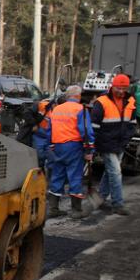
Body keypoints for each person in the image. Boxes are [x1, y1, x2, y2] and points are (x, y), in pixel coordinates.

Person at [44, 86, 95, 220]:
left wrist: (51, 145)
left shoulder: (56, 109)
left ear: (67, 96)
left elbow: (49, 130)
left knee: (57, 175)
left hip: (58, 146)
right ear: (78, 96)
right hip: (73, 146)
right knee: (75, 176)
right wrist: (89, 149)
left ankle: (53, 208)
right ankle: (76, 210)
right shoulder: (80, 110)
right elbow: (86, 131)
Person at [90, 73, 136, 215]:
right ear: (112, 86)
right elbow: (94, 126)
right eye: (118, 88)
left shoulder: (131, 101)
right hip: (106, 144)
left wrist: (126, 139)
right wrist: (92, 146)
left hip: (120, 143)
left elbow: (132, 124)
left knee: (110, 172)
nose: (121, 92)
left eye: (124, 88)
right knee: (116, 173)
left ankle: (100, 198)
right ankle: (118, 204)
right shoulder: (102, 102)